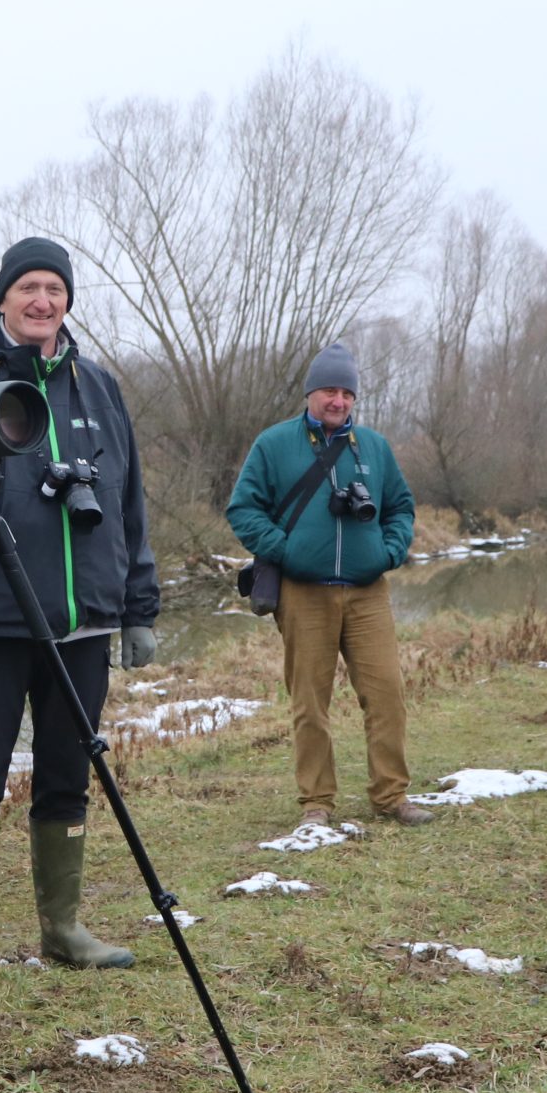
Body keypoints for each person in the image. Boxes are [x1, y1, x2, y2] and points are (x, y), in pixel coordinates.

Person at [0, 237, 158, 971]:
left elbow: (129, 503)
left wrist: (140, 607)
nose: (42, 301)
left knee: (68, 773)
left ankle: (64, 927)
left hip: (83, 625)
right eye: (28, 288)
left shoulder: (98, 387)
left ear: (68, 299)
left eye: (54, 288)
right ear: (3, 297)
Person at [225, 342, 431, 830]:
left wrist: (389, 551)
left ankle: (390, 795)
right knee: (310, 703)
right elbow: (243, 509)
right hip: (303, 593)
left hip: (367, 592)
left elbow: (401, 506)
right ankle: (316, 802)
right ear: (310, 393)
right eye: (328, 391)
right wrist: (284, 549)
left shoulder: (374, 447)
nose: (338, 401)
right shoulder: (274, 444)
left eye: (346, 392)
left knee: (386, 695)